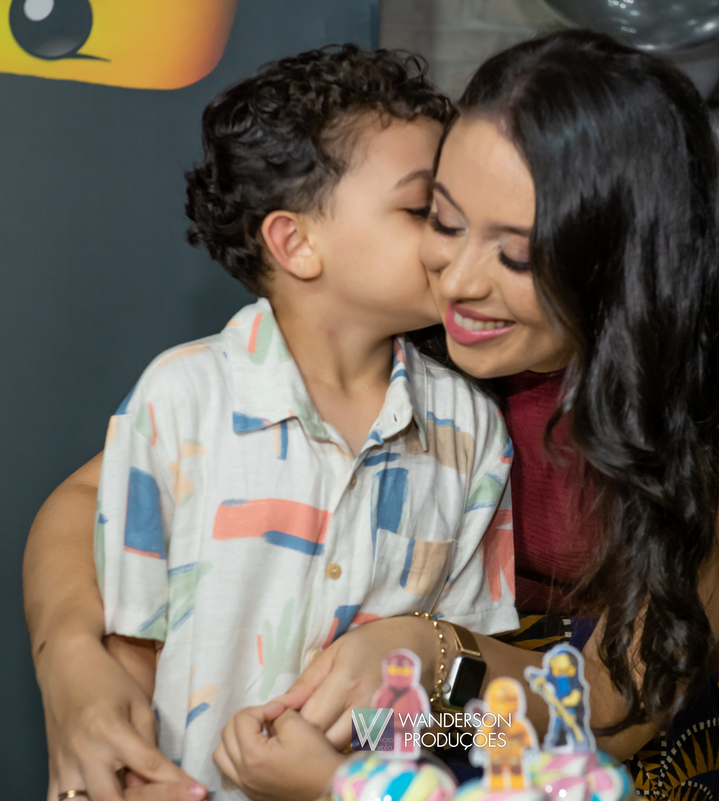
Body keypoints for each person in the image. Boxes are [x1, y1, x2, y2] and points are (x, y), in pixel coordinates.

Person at [23, 30, 719, 801]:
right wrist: (75, 672)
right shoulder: (398, 322)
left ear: (614, 253)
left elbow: (617, 711)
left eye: (515, 253)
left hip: (594, 722)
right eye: (441, 217)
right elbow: (92, 501)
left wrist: (411, 680)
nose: (457, 281)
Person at [36, 44, 521, 801]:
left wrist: (346, 765)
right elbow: (130, 648)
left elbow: (468, 709)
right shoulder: (179, 402)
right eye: (426, 211)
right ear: (296, 243)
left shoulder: (473, 433)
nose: (452, 241)